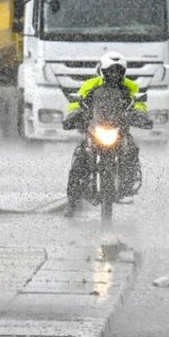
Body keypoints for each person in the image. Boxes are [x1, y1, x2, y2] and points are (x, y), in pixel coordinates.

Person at [63, 52, 152, 216]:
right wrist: (74, 114)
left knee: (131, 150)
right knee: (80, 158)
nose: (114, 74)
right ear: (103, 71)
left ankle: (128, 181)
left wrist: (140, 116)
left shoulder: (131, 87)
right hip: (96, 128)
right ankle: (72, 202)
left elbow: (139, 104)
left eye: (118, 71)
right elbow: (77, 102)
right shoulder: (91, 85)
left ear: (123, 72)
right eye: (110, 71)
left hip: (119, 130)